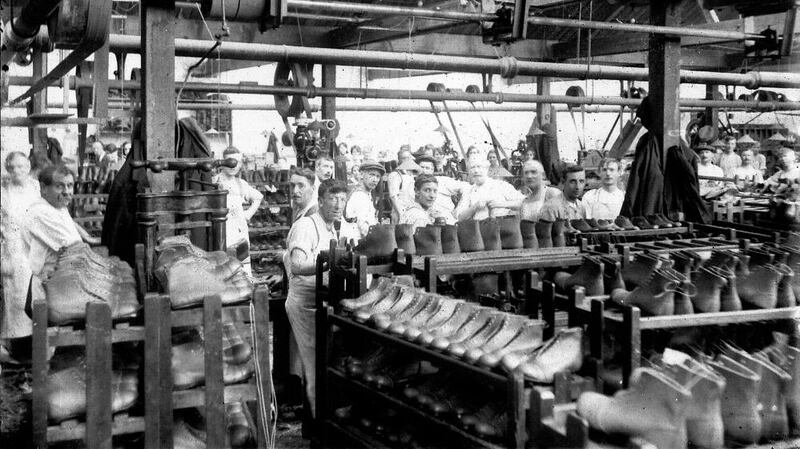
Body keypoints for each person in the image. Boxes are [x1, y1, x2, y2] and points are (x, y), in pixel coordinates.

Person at [284, 179, 359, 417]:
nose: (338, 205)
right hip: (305, 302)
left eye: (342, 199)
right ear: (320, 201)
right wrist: (324, 262)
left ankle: (329, 414)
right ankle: (317, 423)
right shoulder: (306, 225)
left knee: (334, 359)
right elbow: (296, 265)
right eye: (332, 199)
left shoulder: (345, 228)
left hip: (333, 300)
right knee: (314, 361)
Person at [1, 152, 40, 346]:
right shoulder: (3, 191)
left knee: (36, 294)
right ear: (8, 168)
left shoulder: (35, 187)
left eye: (22, 167)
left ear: (28, 168)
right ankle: (16, 343)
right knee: (16, 296)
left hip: (34, 245)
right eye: (13, 167)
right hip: (12, 248)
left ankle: (37, 340)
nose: (18, 171)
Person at [213, 147, 263, 275]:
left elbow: (258, 197)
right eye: (230, 161)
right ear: (222, 162)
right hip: (221, 230)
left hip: (239, 232)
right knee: (222, 266)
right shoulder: (215, 181)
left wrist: (248, 215)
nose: (234, 165)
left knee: (241, 267)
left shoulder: (241, 184)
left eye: (238, 162)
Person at [455, 159, 524, 221]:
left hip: (502, 228)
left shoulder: (500, 185)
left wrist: (502, 204)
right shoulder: (468, 191)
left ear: (486, 169)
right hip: (480, 230)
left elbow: (524, 203)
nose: (476, 171)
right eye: (472, 167)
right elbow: (460, 217)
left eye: (479, 167)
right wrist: (474, 207)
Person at [345, 160, 384, 237]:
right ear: (362, 175)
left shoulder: (365, 194)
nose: (375, 180)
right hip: (356, 243)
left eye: (378, 176)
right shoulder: (360, 196)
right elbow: (364, 230)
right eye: (371, 175)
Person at [386, 148, 420, 223]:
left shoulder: (411, 174)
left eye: (408, 158)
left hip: (412, 210)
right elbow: (393, 196)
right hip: (400, 212)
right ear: (399, 160)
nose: (407, 160)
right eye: (404, 158)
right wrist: (401, 214)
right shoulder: (395, 175)